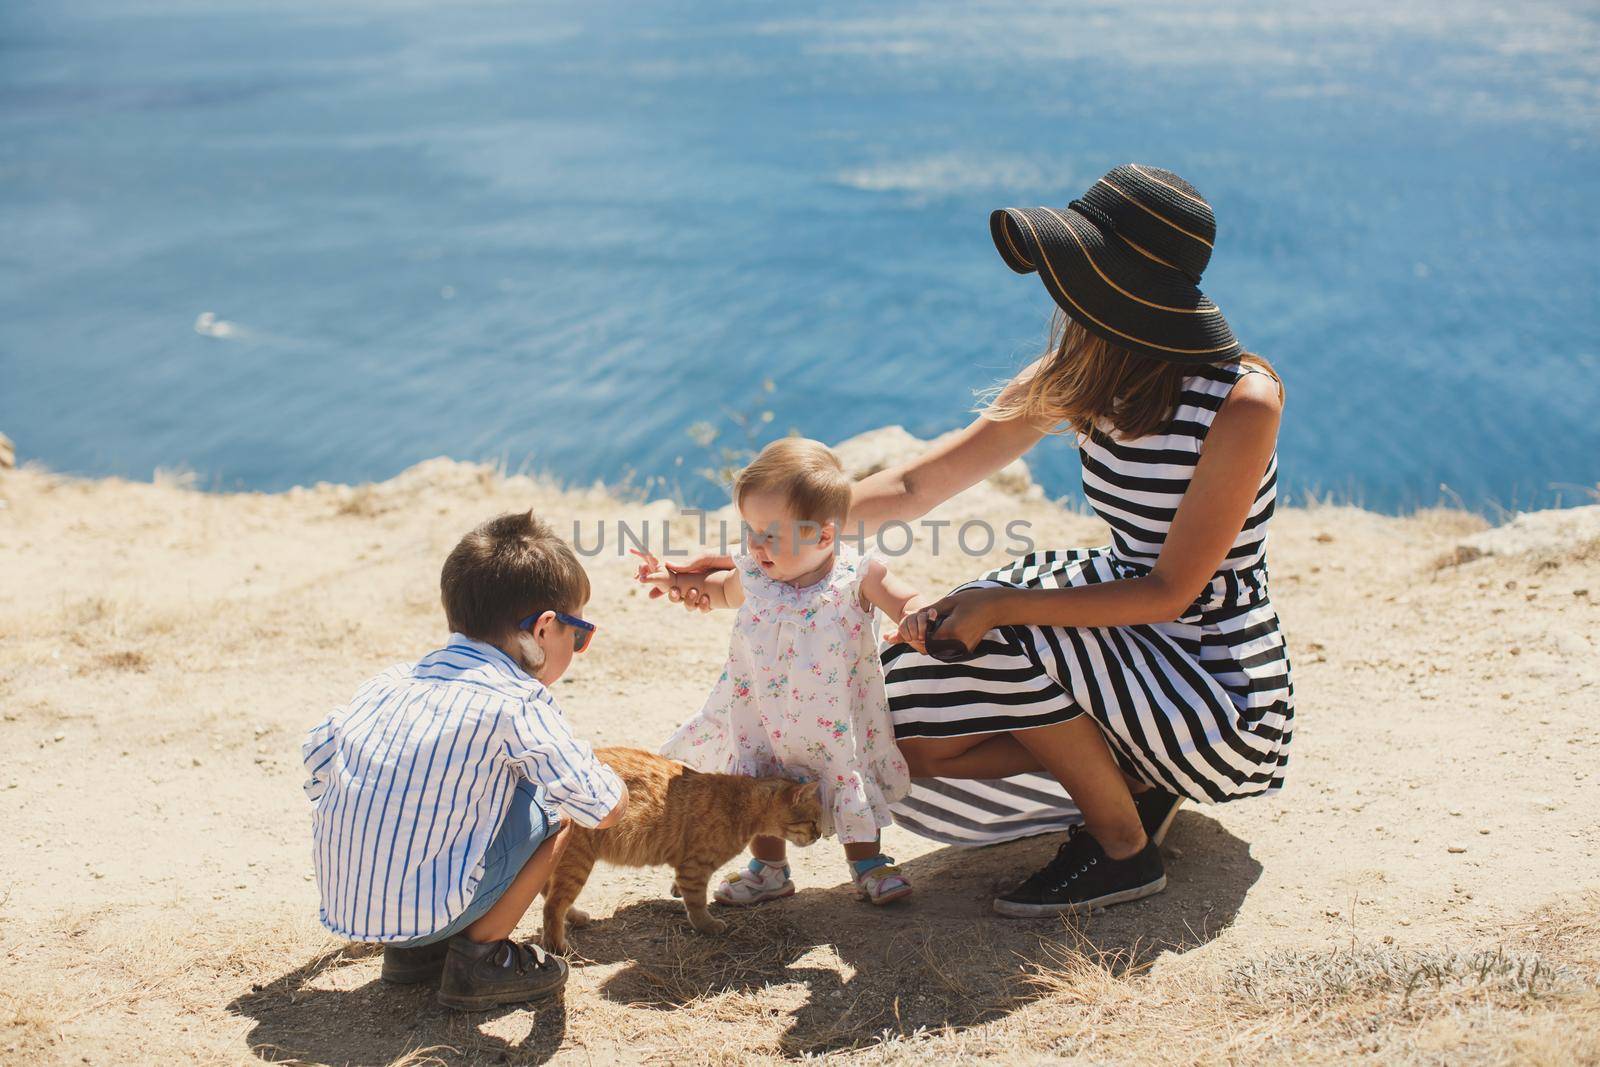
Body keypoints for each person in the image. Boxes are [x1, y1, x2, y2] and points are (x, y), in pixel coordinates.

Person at [661, 164, 1292, 918]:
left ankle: (1123, 847)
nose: (1061, 287)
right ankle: (1128, 779)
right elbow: (917, 486)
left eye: (1078, 266)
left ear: (1125, 284)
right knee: (887, 724)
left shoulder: (1241, 401)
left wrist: (1001, 602)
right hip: (1116, 626)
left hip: (1207, 671)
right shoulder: (1080, 370)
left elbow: (1171, 591)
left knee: (995, 626)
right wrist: (764, 545)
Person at [300, 511, 628, 1010]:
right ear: (543, 630)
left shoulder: (386, 684)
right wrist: (615, 782)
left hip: (353, 906)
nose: (578, 647)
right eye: (578, 634)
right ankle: (480, 959)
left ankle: (415, 954)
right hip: (427, 909)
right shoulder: (515, 702)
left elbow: (320, 763)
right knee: (557, 810)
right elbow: (601, 808)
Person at [636, 438, 923, 905]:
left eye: (770, 534)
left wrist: (916, 616)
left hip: (833, 720)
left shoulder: (857, 576)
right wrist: (671, 578)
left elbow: (904, 599)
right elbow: (718, 589)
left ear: (824, 536)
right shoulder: (753, 576)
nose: (754, 545)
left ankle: (868, 864)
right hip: (761, 714)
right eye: (750, 529)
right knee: (756, 784)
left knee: (844, 775)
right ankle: (769, 869)